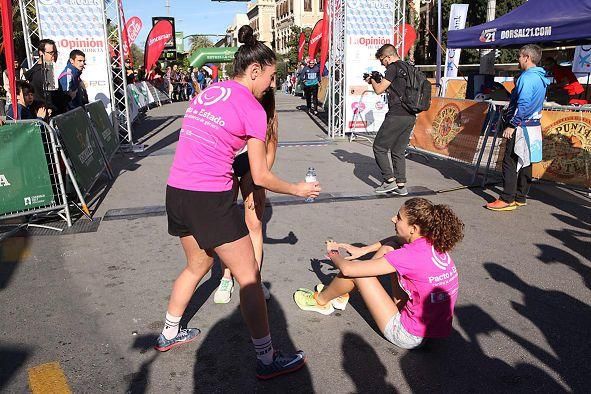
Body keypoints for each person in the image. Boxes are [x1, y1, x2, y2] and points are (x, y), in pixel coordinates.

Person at [156, 25, 320, 380]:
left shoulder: (210, 92)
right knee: (248, 276)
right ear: (255, 69)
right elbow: (260, 176)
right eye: (272, 76)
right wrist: (297, 189)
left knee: (197, 265)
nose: (273, 84)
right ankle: (266, 358)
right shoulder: (253, 109)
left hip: (176, 192)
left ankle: (168, 332)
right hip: (208, 199)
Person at [294, 197, 464, 350]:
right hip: (431, 329)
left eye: (398, 217)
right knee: (390, 246)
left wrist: (333, 254)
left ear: (413, 228)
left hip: (408, 335)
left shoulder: (409, 256)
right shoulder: (433, 243)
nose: (393, 219)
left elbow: (348, 269)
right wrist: (363, 250)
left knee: (358, 271)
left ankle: (321, 301)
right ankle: (341, 292)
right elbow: (395, 240)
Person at [213, 87, 279, 304]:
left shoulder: (267, 109)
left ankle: (254, 279)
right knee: (226, 223)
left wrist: (259, 182)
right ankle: (226, 277)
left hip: (254, 166)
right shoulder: (232, 103)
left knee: (254, 224)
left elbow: (270, 151)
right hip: (227, 164)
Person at [486, 45, 549, 211]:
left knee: (510, 161)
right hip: (532, 125)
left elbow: (524, 104)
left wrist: (513, 125)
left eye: (520, 57)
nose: (518, 60)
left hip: (522, 125)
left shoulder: (527, 78)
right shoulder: (541, 77)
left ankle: (507, 198)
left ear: (527, 57)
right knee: (526, 161)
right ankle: (520, 196)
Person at [366, 44, 417, 196]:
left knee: (379, 147)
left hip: (396, 114)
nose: (382, 63)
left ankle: (389, 180)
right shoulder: (409, 67)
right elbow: (396, 90)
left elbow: (379, 90)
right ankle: (401, 185)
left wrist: (371, 81)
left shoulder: (393, 68)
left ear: (388, 57)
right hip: (410, 115)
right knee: (398, 151)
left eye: (382, 60)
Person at [24, 39, 58, 114]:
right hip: (46, 114)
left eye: (55, 52)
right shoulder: (47, 71)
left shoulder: (35, 71)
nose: (54, 56)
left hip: (40, 112)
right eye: (51, 53)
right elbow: (52, 97)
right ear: (41, 53)